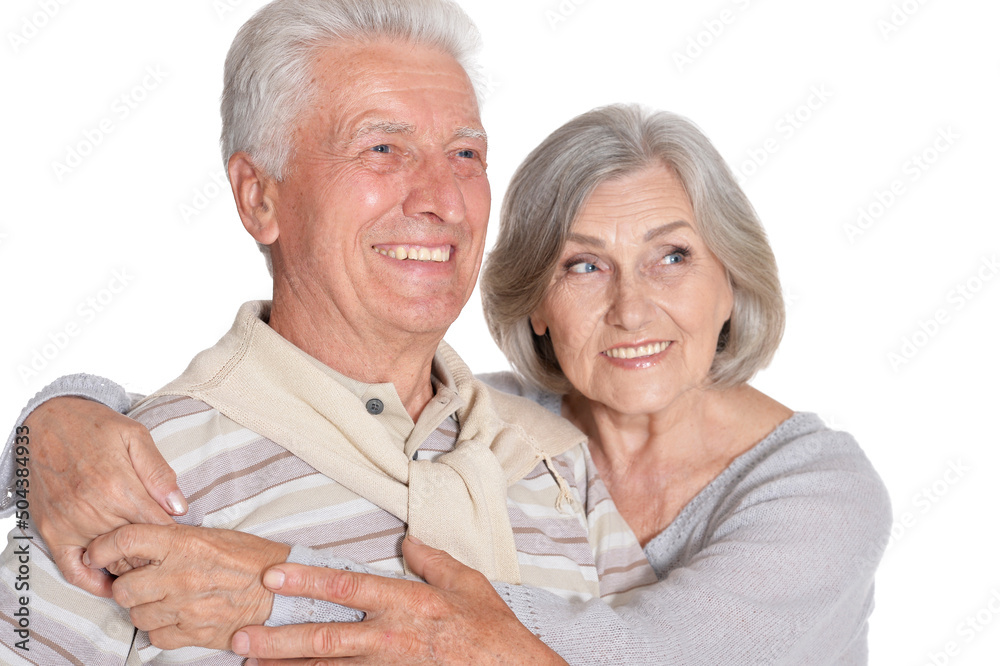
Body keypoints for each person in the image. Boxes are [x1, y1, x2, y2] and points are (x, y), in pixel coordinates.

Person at [3, 102, 893, 664]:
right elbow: (281, 399)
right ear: (535, 302)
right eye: (585, 267)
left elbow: (650, 657)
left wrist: (277, 580)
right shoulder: (494, 426)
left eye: (673, 256)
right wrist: (54, 419)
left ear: (730, 280)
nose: (633, 309)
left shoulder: (819, 490)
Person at [0, 1, 657, 663]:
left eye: (465, 153)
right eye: (382, 149)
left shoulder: (559, 464)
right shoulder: (121, 484)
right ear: (259, 197)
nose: (443, 199)